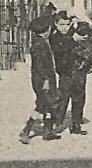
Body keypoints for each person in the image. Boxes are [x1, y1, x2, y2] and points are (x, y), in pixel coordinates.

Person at [21, 13, 62, 144]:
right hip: (43, 80)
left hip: (42, 79)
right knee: (44, 105)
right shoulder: (40, 45)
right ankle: (27, 130)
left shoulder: (40, 42)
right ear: (46, 30)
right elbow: (39, 65)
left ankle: (47, 131)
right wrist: (46, 80)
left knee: (46, 105)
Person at [49, 8, 88, 136]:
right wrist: (73, 40)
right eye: (61, 25)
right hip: (65, 71)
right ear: (55, 24)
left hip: (78, 70)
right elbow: (59, 49)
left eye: (67, 24)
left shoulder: (73, 33)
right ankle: (56, 123)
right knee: (63, 97)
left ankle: (76, 124)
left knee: (79, 97)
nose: (64, 27)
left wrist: (78, 21)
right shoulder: (55, 36)